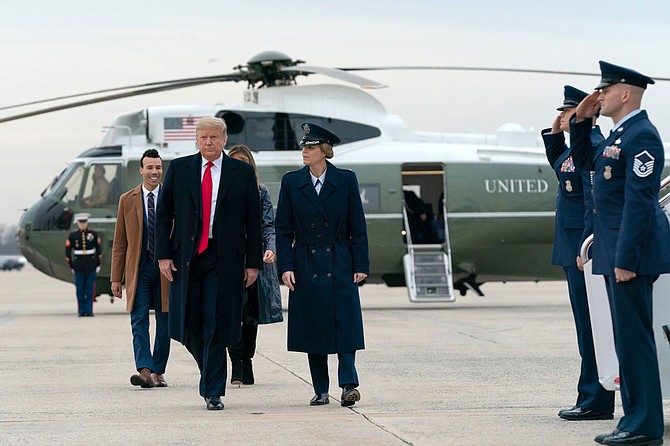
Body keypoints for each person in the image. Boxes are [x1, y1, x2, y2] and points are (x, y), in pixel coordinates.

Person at [570, 61, 670, 446]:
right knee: (624, 341)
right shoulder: (618, 135)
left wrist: (626, 259)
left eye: (606, 91)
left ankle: (645, 426)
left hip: (631, 256)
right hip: (614, 252)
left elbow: (640, 203)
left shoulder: (641, 135)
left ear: (625, 94)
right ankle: (632, 420)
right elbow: (584, 164)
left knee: (635, 339)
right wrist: (581, 122)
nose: (600, 97)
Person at [155, 117, 262, 411]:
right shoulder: (180, 169)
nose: (208, 143)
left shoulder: (240, 172)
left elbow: (253, 221)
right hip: (186, 258)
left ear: (224, 139)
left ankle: (213, 390)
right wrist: (163, 255)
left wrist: (253, 263)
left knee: (214, 321)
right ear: (196, 140)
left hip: (223, 257)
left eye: (214, 137)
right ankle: (211, 371)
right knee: (188, 322)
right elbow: (163, 215)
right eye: (203, 138)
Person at [275, 122, 369, 407]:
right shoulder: (292, 182)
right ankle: (320, 389)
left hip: (340, 258)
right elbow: (282, 229)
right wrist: (286, 266)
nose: (304, 150)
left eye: (311, 146)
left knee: (345, 324)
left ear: (324, 151)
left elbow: (358, 226)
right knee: (313, 325)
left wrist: (361, 263)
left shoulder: (346, 180)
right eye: (303, 146)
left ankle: (349, 384)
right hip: (305, 259)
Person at [542, 85, 614, 421]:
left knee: (591, 326)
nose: (560, 117)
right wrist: (554, 134)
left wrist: (587, 246)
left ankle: (594, 400)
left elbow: (591, 203)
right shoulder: (574, 151)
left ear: (586, 113)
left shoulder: (594, 148)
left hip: (581, 250)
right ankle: (589, 396)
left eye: (567, 112)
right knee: (585, 327)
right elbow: (560, 167)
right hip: (571, 247)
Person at [111, 149, 171, 389]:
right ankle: (144, 370)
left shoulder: (171, 195)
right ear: (141, 170)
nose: (154, 172)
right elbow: (120, 242)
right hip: (140, 268)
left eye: (158, 167)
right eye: (150, 167)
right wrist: (116, 278)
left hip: (166, 269)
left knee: (166, 321)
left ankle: (158, 370)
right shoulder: (127, 199)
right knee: (139, 319)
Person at [226, 144, 283, 386]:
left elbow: (268, 225)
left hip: (254, 258)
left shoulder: (260, 192)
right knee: (231, 313)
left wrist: (271, 248)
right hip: (228, 258)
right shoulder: (221, 191)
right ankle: (236, 365)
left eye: (244, 163)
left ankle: (247, 361)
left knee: (251, 315)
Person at [65, 213, 102, 317]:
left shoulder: (93, 235)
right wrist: (71, 266)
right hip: (78, 266)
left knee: (90, 290)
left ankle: (89, 310)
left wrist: (98, 264)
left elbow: (98, 251)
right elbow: (68, 253)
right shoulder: (73, 236)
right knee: (80, 290)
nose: (82, 225)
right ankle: (81, 311)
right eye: (81, 223)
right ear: (77, 223)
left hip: (91, 265)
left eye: (84, 222)